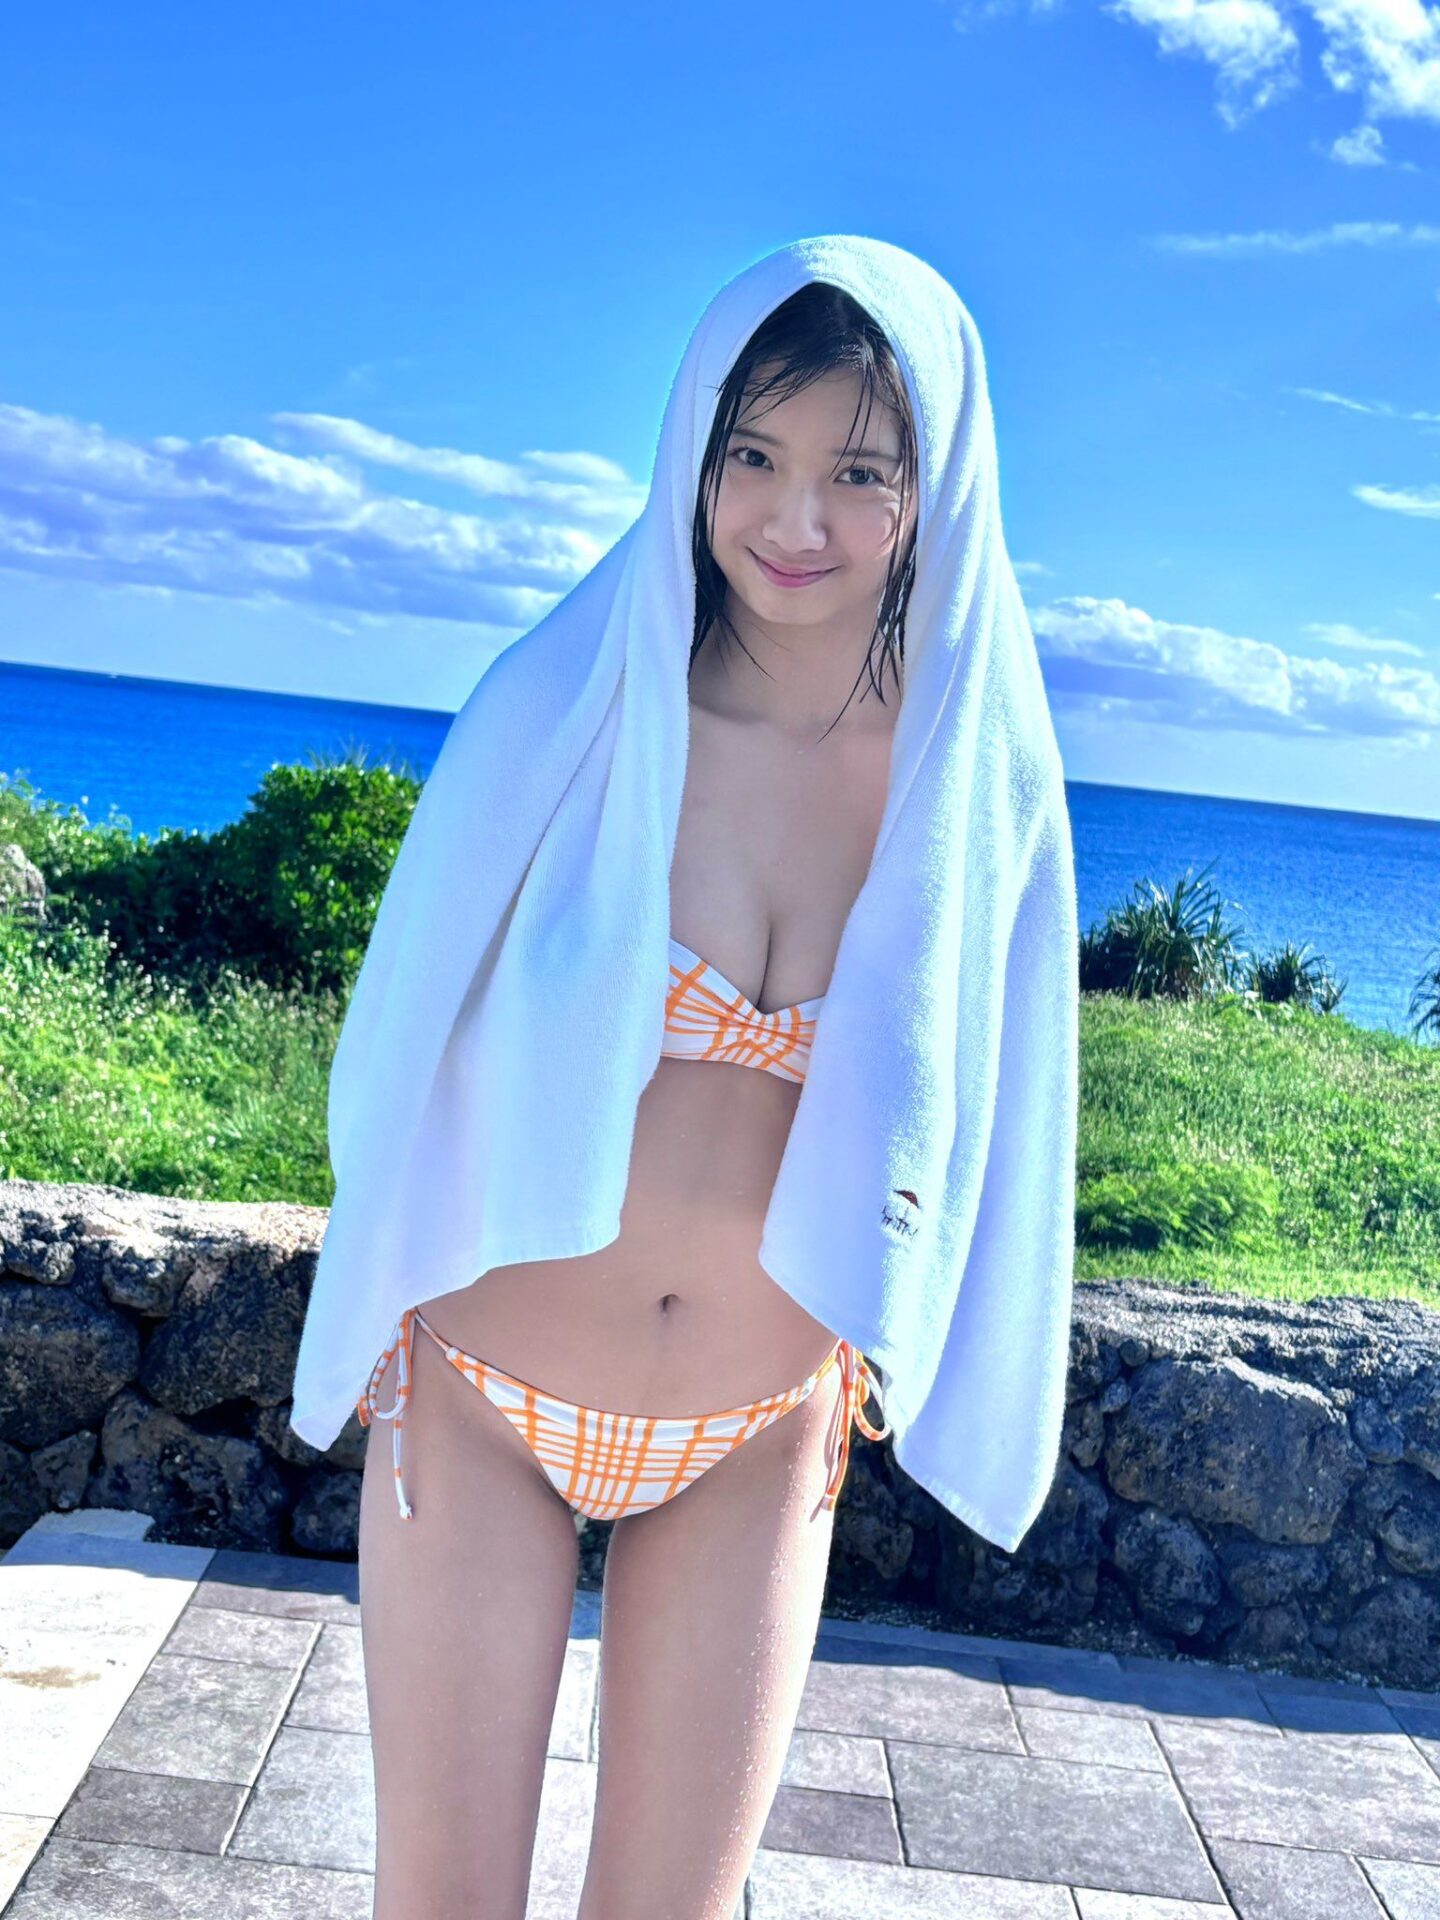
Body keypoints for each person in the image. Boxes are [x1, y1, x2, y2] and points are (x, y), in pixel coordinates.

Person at [290, 234, 1080, 1920]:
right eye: (755, 455)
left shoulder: (968, 778)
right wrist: (366, 1291)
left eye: (860, 472)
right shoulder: (570, 707)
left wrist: (907, 1331)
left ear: (938, 485)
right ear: (695, 451)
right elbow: (402, 1020)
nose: (796, 519)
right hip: (484, 1395)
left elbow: (1012, 1105)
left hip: (758, 1426)